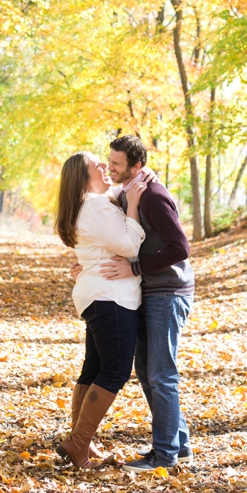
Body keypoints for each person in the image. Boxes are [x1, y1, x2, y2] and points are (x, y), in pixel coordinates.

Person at [101, 135, 195, 474]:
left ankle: (165, 454)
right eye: (109, 161)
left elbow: (180, 248)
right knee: (146, 371)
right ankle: (178, 445)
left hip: (168, 291)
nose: (110, 167)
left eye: (117, 164)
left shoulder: (153, 195)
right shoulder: (131, 190)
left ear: (136, 166)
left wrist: (136, 268)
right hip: (150, 291)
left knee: (161, 373)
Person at [53, 152, 147, 469]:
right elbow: (131, 247)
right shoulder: (94, 206)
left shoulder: (89, 204)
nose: (105, 168)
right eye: (98, 166)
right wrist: (134, 206)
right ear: (83, 178)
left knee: (94, 369)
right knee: (115, 371)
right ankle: (78, 444)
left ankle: (79, 441)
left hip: (97, 295)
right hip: (111, 298)